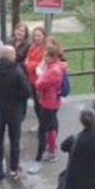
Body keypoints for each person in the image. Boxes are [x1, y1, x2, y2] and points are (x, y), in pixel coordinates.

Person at [0, 46, 31, 179]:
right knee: (15, 141)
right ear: (10, 56)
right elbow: (27, 92)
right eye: (14, 54)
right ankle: (14, 169)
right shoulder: (17, 72)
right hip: (14, 111)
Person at [28, 45, 66, 175]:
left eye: (46, 56)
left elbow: (39, 84)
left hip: (49, 102)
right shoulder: (59, 66)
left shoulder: (53, 71)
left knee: (43, 130)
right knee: (52, 125)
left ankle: (39, 159)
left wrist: (40, 74)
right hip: (54, 101)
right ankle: (52, 151)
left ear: (52, 57)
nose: (44, 58)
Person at [24, 27, 47, 120]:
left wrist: (30, 64)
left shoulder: (45, 48)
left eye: (39, 35)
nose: (36, 38)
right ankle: (40, 122)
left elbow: (42, 64)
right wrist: (31, 64)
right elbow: (27, 60)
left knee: (42, 104)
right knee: (36, 104)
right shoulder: (32, 47)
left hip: (41, 80)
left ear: (44, 36)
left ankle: (44, 125)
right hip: (32, 79)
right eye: (35, 35)